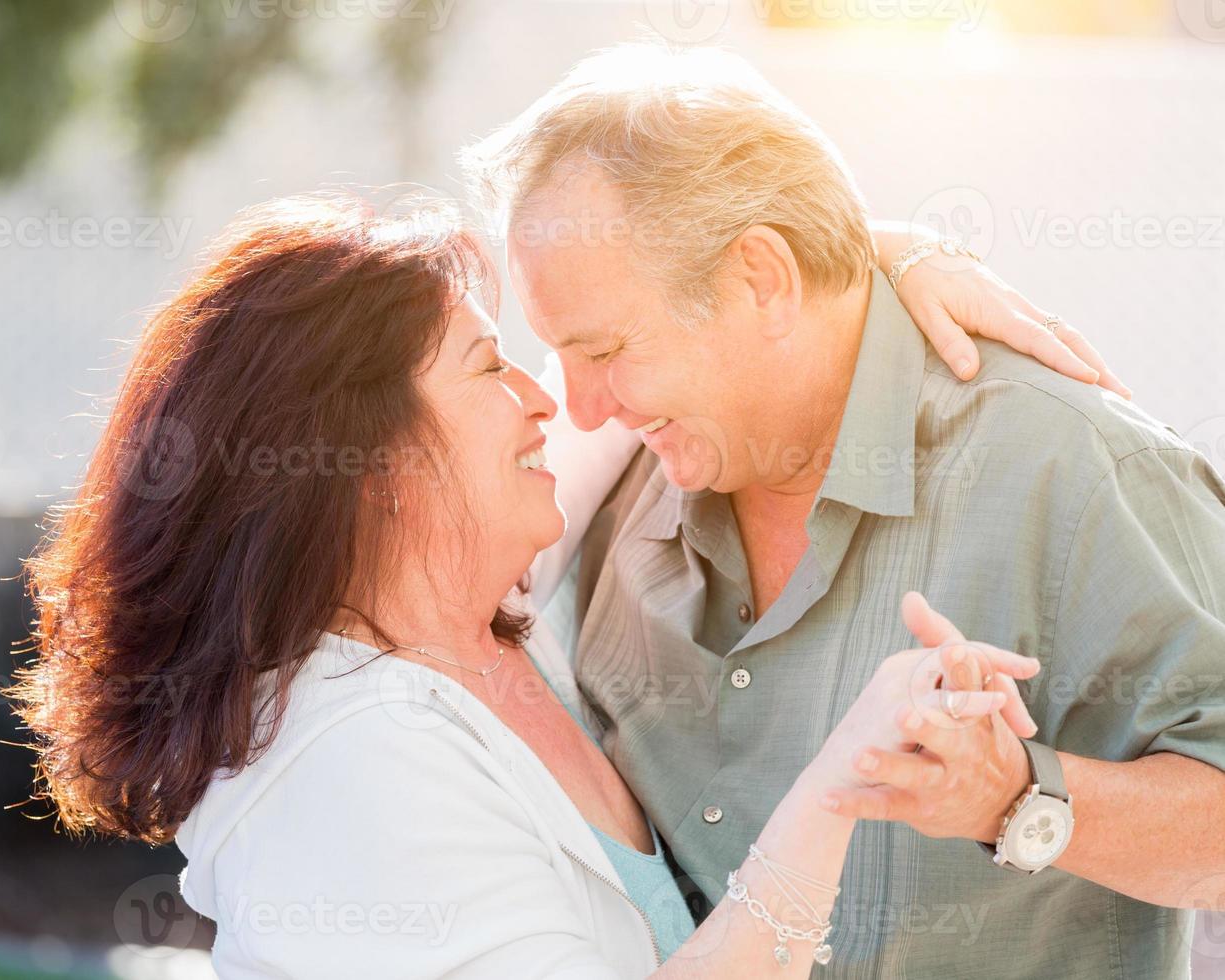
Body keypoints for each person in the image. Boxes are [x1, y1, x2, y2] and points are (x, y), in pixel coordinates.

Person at [11, 187, 1120, 977]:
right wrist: (841, 781)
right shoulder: (350, 761)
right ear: (373, 461)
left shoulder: (478, 609)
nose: (551, 403)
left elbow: (693, 324)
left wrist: (886, 261)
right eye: (491, 370)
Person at [461, 41, 1225, 978]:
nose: (577, 408)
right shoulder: (616, 473)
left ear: (760, 278)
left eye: (607, 348)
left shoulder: (1067, 468)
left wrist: (1016, 798)